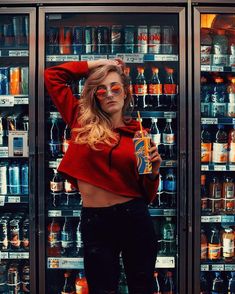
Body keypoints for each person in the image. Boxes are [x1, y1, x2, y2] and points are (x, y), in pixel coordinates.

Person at [44, 59, 162, 294]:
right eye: (102, 89)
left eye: (115, 87)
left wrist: (154, 173)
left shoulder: (139, 135)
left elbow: (146, 194)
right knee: (100, 288)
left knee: (142, 287)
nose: (109, 94)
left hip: (134, 217)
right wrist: (101, 63)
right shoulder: (81, 121)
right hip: (96, 220)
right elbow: (52, 76)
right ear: (94, 95)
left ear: (126, 93)